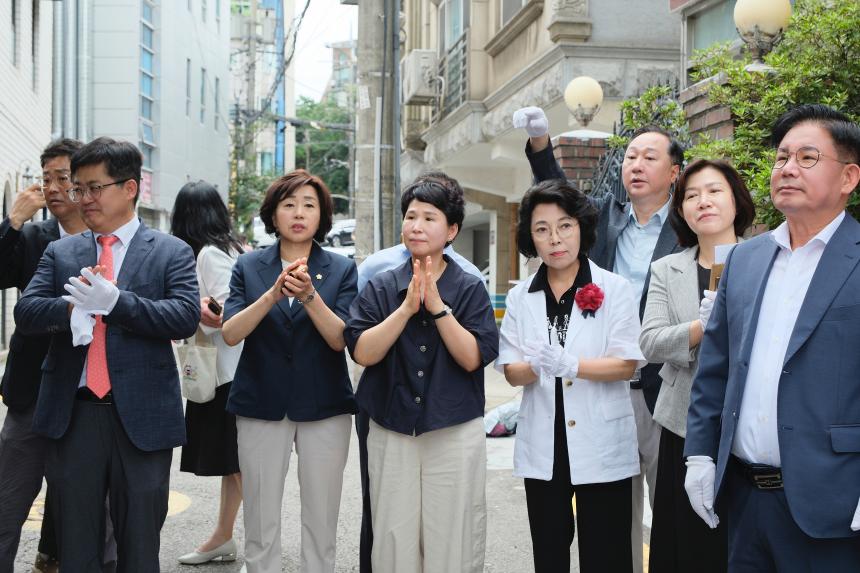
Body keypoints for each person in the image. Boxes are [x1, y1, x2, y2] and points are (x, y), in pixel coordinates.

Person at [684, 104, 860, 571]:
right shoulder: (745, 260)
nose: (787, 169)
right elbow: (714, 369)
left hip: (833, 504)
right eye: (782, 158)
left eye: (807, 158)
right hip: (744, 500)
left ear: (848, 178)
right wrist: (699, 455)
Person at [13, 137, 200, 571]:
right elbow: (26, 311)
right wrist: (73, 307)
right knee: (77, 545)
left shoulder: (170, 251)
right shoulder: (62, 252)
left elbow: (183, 316)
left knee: (139, 544)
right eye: (79, 188)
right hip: (74, 415)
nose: (84, 198)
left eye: (94, 187)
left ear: (129, 188)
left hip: (142, 417)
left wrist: (116, 303)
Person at [515, 106, 683, 571]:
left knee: (666, 510)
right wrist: (541, 144)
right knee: (613, 521)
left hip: (661, 386)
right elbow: (559, 201)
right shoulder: (605, 218)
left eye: (649, 157)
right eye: (630, 156)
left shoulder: (685, 226)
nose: (636, 164)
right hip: (597, 388)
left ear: (674, 171)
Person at [344, 173, 498, 573]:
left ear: (452, 230)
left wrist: (438, 307)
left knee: (452, 538)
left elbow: (473, 357)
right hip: (390, 424)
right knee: (393, 536)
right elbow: (363, 351)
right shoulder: (380, 287)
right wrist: (406, 309)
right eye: (411, 216)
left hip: (452, 427)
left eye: (430, 218)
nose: (417, 226)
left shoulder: (468, 288)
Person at [496, 179, 645, 572]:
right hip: (544, 440)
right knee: (549, 552)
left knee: (607, 552)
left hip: (601, 437)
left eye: (564, 225)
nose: (554, 238)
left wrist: (572, 365)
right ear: (531, 237)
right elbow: (511, 371)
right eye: (541, 229)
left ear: (581, 227)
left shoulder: (613, 288)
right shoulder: (520, 296)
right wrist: (537, 366)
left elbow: (626, 364)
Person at [221, 169, 357, 573]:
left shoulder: (341, 269)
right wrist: (273, 293)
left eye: (309, 206)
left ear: (322, 216)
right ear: (273, 214)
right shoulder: (248, 266)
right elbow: (230, 333)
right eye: (289, 204)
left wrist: (310, 296)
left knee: (322, 514)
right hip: (261, 401)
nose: (299, 213)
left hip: (325, 403)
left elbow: (340, 339)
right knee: (260, 518)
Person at [639, 159, 755, 572]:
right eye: (691, 195)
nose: (702, 202)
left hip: (747, 427)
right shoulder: (666, 269)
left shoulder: (764, 260)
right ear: (682, 209)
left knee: (737, 543)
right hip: (682, 426)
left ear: (736, 201)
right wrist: (697, 328)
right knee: (683, 544)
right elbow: (650, 341)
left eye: (713, 191)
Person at [0, 139, 84, 573]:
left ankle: (52, 556)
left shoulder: (104, 238)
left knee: (85, 508)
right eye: (46, 178)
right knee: (9, 501)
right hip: (31, 389)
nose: (52, 187)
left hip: (87, 392)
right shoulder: (32, 236)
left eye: (63, 178)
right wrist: (13, 219)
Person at [170, 181, 246, 565]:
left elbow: (224, 313)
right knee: (231, 465)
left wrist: (192, 311)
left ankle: (264, 545)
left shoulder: (209, 255)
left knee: (240, 467)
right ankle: (222, 537)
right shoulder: (228, 248)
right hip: (226, 373)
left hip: (224, 375)